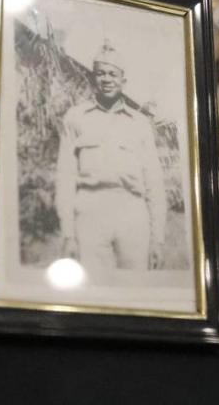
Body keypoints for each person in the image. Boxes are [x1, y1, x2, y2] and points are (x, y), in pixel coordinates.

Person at [55, 41, 166, 280]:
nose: (106, 79)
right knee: (90, 288)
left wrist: (157, 239)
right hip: (89, 210)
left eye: (112, 74)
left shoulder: (139, 124)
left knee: (135, 288)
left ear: (123, 80)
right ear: (93, 78)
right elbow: (65, 177)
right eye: (100, 73)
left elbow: (154, 182)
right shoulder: (76, 118)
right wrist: (68, 234)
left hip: (132, 213)